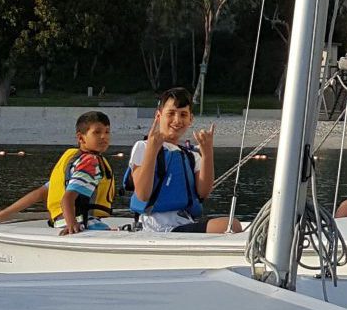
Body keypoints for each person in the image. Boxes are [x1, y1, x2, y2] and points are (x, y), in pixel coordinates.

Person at [126, 87, 239, 234]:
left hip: (183, 223)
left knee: (232, 224)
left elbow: (203, 192)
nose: (177, 120)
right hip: (154, 226)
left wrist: (207, 153)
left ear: (190, 119)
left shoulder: (191, 155)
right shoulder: (143, 147)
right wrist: (152, 151)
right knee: (233, 226)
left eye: (183, 115)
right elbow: (142, 194)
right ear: (158, 116)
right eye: (171, 114)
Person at [47, 110, 118, 235]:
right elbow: (67, 199)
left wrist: (4, 214)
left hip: (60, 220)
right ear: (81, 138)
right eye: (97, 132)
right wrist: (72, 224)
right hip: (81, 221)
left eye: (107, 132)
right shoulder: (90, 162)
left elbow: (42, 192)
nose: (104, 136)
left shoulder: (75, 159)